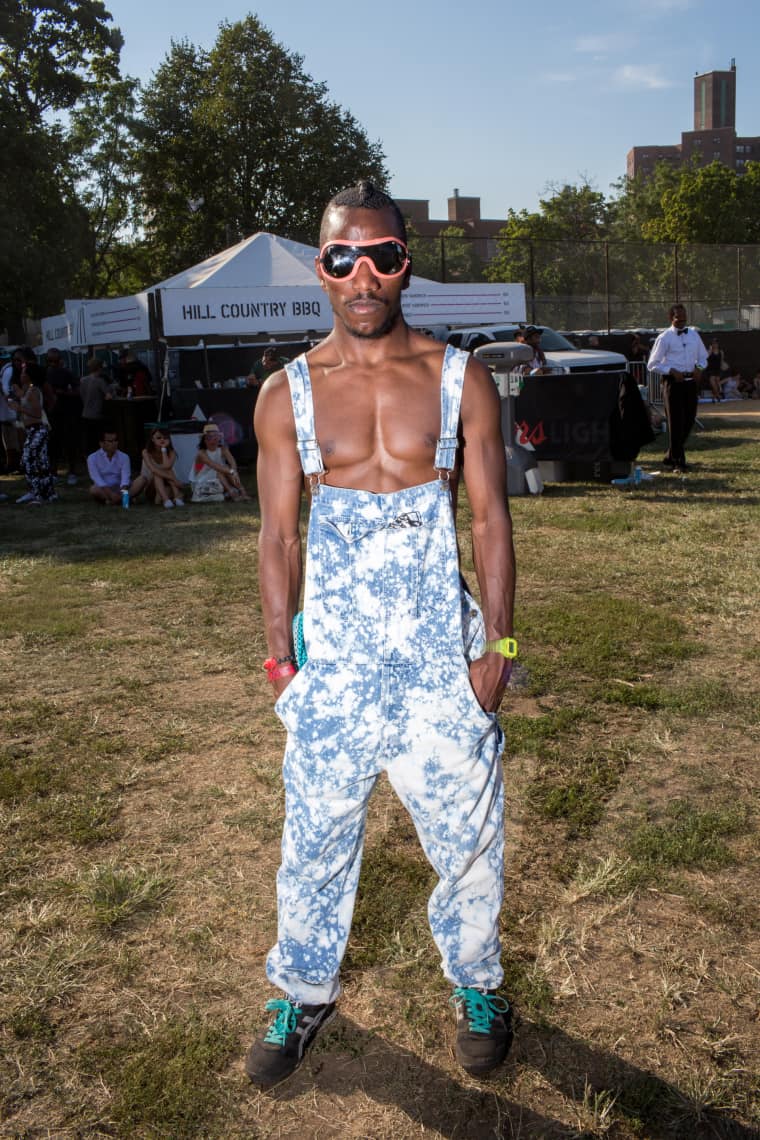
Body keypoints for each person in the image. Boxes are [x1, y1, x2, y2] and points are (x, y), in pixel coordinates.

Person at [245, 180, 516, 1089]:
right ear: (320, 269)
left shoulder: (459, 377)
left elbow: (489, 524)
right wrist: (283, 657)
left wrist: (500, 648)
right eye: (342, 257)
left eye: (383, 256)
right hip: (338, 669)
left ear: (406, 264)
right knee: (314, 835)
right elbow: (278, 536)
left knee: (469, 837)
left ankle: (478, 984)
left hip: (443, 659)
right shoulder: (286, 395)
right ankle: (304, 990)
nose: (363, 275)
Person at [647, 304, 707, 473]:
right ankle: (678, 462)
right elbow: (652, 364)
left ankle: (670, 455)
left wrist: (699, 369)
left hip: (690, 382)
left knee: (689, 419)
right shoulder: (664, 338)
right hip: (673, 383)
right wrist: (671, 371)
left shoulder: (694, 335)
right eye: (678, 319)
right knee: (675, 422)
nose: (681, 322)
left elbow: (704, 357)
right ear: (670, 318)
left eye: (684, 319)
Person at [7, 361, 56, 505]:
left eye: (23, 373)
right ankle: (48, 493)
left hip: (37, 430)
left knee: (30, 461)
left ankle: (39, 494)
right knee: (41, 462)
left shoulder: (34, 391)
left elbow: (36, 413)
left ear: (30, 376)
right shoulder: (29, 390)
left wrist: (19, 408)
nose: (21, 375)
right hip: (33, 431)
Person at [45, 347, 82, 483]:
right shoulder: (45, 374)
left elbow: (78, 391)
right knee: (53, 443)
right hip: (52, 414)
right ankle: (53, 472)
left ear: (60, 360)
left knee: (69, 442)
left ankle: (71, 472)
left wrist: (64, 393)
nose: (53, 363)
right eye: (50, 361)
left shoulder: (67, 373)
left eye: (55, 360)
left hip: (67, 412)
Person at [189, 423, 249, 502]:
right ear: (204, 440)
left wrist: (234, 471)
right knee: (220, 470)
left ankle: (243, 492)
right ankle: (232, 493)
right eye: (209, 438)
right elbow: (214, 465)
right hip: (200, 481)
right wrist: (232, 471)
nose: (213, 440)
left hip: (216, 478)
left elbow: (232, 461)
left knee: (227, 468)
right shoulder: (201, 453)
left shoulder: (223, 449)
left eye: (215, 437)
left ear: (219, 438)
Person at [133, 426, 185, 508]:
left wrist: (164, 449)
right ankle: (169, 499)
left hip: (166, 484)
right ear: (152, 439)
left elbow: (167, 466)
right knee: (158, 473)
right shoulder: (146, 452)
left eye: (165, 437)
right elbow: (153, 470)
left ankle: (174, 497)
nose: (162, 440)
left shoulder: (172, 452)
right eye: (158, 437)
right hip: (150, 486)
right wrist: (174, 479)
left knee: (167, 470)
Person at [86, 429, 138, 504]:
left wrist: (122, 492)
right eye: (110, 441)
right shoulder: (92, 458)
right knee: (93, 489)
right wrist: (110, 494)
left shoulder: (124, 457)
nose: (114, 443)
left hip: (121, 489)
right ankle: (122, 500)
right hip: (105, 489)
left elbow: (125, 477)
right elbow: (96, 478)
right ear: (101, 443)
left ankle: (115, 500)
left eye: (115, 440)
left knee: (142, 480)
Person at [79, 358, 113, 457]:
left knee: (89, 439)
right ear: (99, 368)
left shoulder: (83, 380)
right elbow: (109, 396)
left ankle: (90, 459)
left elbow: (81, 395)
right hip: (97, 414)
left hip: (85, 414)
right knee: (98, 439)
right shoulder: (100, 381)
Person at [0, 348, 23, 474]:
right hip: (5, 412)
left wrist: (7, 397)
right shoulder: (4, 371)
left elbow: (8, 391)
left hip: (11, 412)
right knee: (8, 440)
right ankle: (11, 464)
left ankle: (17, 464)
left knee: (14, 439)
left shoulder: (8, 371)